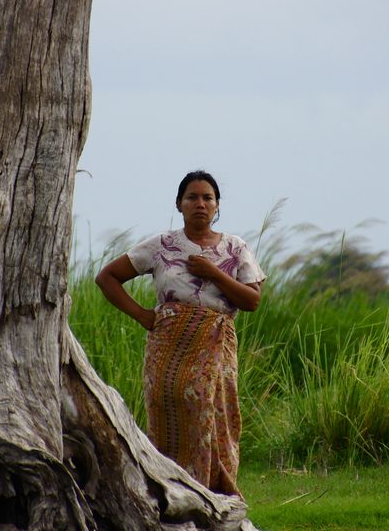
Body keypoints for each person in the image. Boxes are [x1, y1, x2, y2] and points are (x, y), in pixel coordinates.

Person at [94, 170, 266, 497]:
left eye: (207, 198)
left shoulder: (235, 247)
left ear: (217, 206)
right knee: (168, 419)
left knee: (211, 417)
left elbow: (252, 301)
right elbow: (107, 278)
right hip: (167, 350)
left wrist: (213, 272)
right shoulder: (162, 245)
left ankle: (211, 497)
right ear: (179, 204)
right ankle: (167, 497)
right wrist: (143, 316)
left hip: (214, 348)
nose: (200, 204)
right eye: (192, 197)